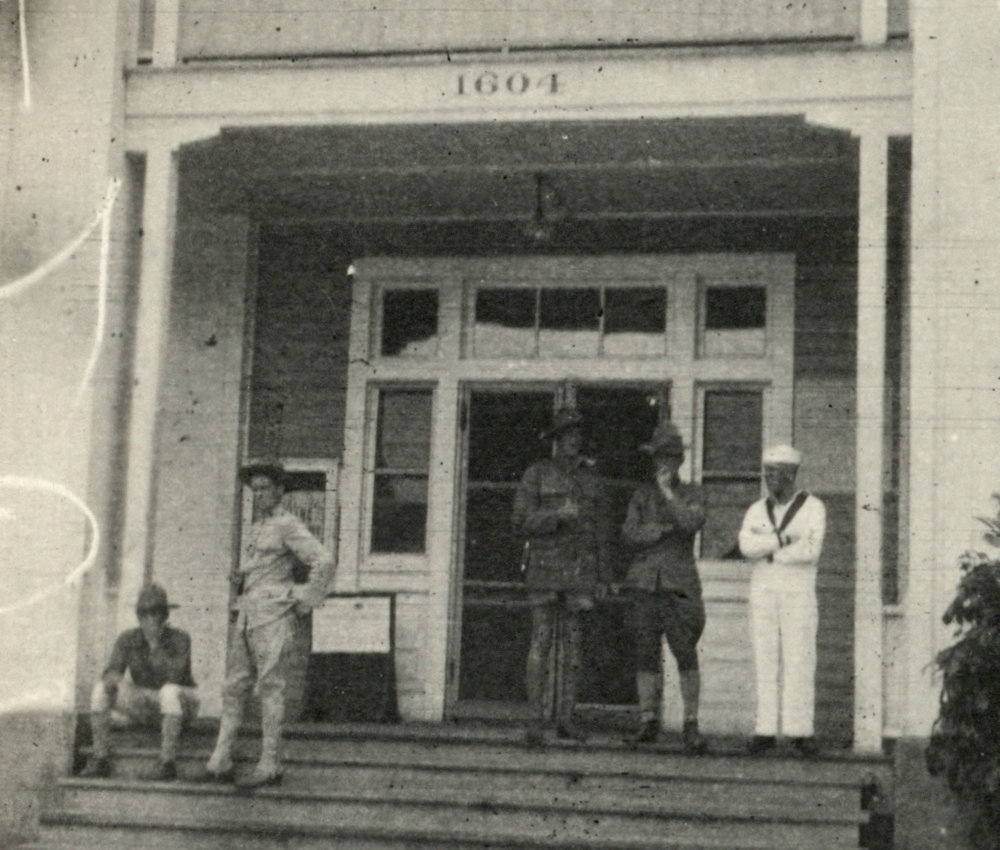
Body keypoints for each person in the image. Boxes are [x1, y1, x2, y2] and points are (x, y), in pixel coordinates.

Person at [201, 461, 335, 788]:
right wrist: (242, 575)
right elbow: (264, 562)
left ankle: (270, 762)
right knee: (234, 687)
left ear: (279, 490)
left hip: (273, 616)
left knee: (270, 689)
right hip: (249, 613)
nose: (258, 494)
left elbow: (324, 560)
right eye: (255, 489)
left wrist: (304, 600)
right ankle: (221, 758)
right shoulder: (257, 526)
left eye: (264, 488)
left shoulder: (288, 525)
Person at [513, 406, 610, 747]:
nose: (573, 440)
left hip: (579, 569)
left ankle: (566, 718)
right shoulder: (536, 474)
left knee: (573, 647)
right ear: (555, 440)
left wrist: (603, 574)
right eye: (566, 435)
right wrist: (557, 514)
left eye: (577, 435)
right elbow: (520, 520)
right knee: (540, 641)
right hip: (543, 567)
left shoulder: (591, 478)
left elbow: (601, 530)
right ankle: (535, 721)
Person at [621, 421, 708, 754]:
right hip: (645, 583)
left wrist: (671, 495)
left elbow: (690, 523)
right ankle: (647, 720)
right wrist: (657, 531)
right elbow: (629, 533)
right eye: (660, 457)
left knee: (685, 652)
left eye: (671, 457)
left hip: (678, 585)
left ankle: (690, 724)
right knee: (645, 652)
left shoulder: (694, 493)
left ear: (680, 461)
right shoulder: (641, 496)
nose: (665, 463)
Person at [737, 444, 826, 758]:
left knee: (799, 657)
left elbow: (810, 551)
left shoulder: (813, 507)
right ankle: (764, 730)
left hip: (798, 590)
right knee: (765, 657)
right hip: (763, 587)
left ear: (790, 474)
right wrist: (781, 540)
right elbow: (746, 546)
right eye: (766, 473)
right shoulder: (756, 510)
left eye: (774, 473)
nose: (768, 479)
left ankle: (799, 730)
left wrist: (770, 550)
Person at [79, 583, 198, 781]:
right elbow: (111, 672)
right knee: (100, 690)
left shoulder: (180, 639)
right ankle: (100, 758)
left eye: (156, 613)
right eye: (144, 614)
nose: (150, 619)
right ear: (138, 616)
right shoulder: (128, 638)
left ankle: (167, 762)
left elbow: (175, 676)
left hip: (182, 705)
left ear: (165, 615)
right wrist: (118, 683)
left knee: (169, 692)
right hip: (146, 702)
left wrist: (155, 645)